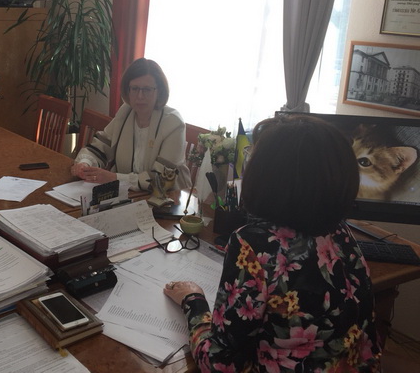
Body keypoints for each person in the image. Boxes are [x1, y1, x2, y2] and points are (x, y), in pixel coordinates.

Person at [163, 114, 382, 372]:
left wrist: (193, 300)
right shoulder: (342, 233)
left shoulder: (253, 243)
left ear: (264, 177)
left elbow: (219, 364)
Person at [71, 58, 190, 191]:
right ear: (127, 90)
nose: (140, 96)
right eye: (135, 88)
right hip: (127, 195)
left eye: (147, 89)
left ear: (159, 91)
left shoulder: (173, 123)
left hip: (167, 198)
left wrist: (115, 178)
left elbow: (162, 180)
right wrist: (85, 164)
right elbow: (100, 148)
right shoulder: (126, 112)